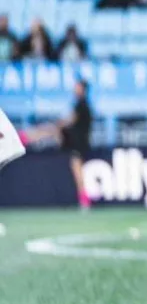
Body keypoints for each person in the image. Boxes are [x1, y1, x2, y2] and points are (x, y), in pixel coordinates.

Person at [19, 80, 92, 209]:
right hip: (74, 139)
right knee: (76, 167)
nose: (75, 89)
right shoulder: (80, 104)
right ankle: (26, 138)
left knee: (77, 168)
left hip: (76, 140)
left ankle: (25, 138)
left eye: (78, 87)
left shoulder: (82, 104)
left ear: (83, 89)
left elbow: (71, 120)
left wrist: (59, 124)